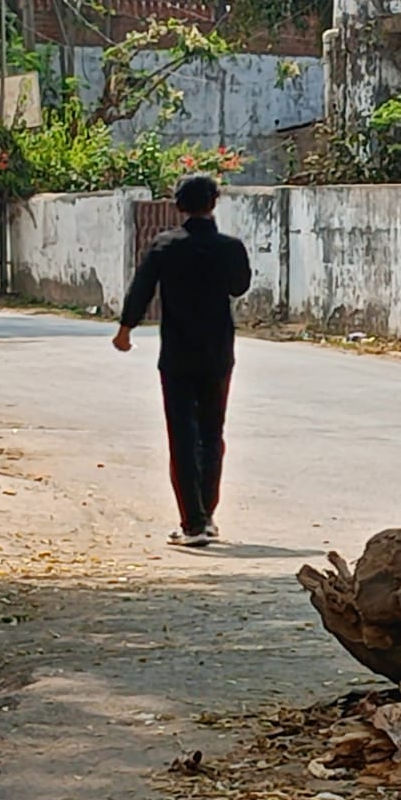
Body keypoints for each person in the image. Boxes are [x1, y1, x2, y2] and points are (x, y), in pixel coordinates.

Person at [113, 174, 251, 548]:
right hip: (219, 352)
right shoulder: (230, 247)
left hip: (176, 353)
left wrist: (126, 329)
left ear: (178, 206)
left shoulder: (164, 246)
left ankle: (192, 522)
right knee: (212, 433)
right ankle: (207, 516)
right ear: (214, 203)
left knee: (182, 435)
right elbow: (239, 286)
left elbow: (141, 289)